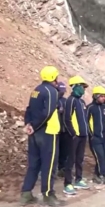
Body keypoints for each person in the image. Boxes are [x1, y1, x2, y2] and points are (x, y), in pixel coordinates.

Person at [20, 66, 62, 206]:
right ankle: (48, 195)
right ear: (53, 78)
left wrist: (29, 125)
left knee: (34, 164)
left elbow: (29, 109)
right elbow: (48, 112)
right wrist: (36, 125)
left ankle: (26, 193)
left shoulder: (36, 90)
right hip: (48, 132)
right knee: (49, 164)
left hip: (34, 133)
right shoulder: (52, 92)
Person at [63, 76, 90, 195]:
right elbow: (66, 119)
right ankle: (68, 183)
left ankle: (78, 179)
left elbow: (84, 119)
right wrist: (73, 133)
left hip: (83, 135)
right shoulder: (71, 100)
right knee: (71, 159)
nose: (83, 89)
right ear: (75, 86)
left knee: (79, 159)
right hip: (74, 136)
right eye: (82, 86)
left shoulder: (82, 102)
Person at [87, 86, 105, 185]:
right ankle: (104, 176)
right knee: (100, 157)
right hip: (95, 138)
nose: (103, 98)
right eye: (101, 96)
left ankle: (96, 175)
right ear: (96, 96)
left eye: (104, 96)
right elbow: (86, 122)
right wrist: (91, 135)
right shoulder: (90, 108)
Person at [57, 82, 68, 178]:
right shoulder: (53, 100)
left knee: (64, 151)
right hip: (55, 130)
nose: (62, 93)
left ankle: (62, 168)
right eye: (61, 91)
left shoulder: (66, 101)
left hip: (65, 130)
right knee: (55, 150)